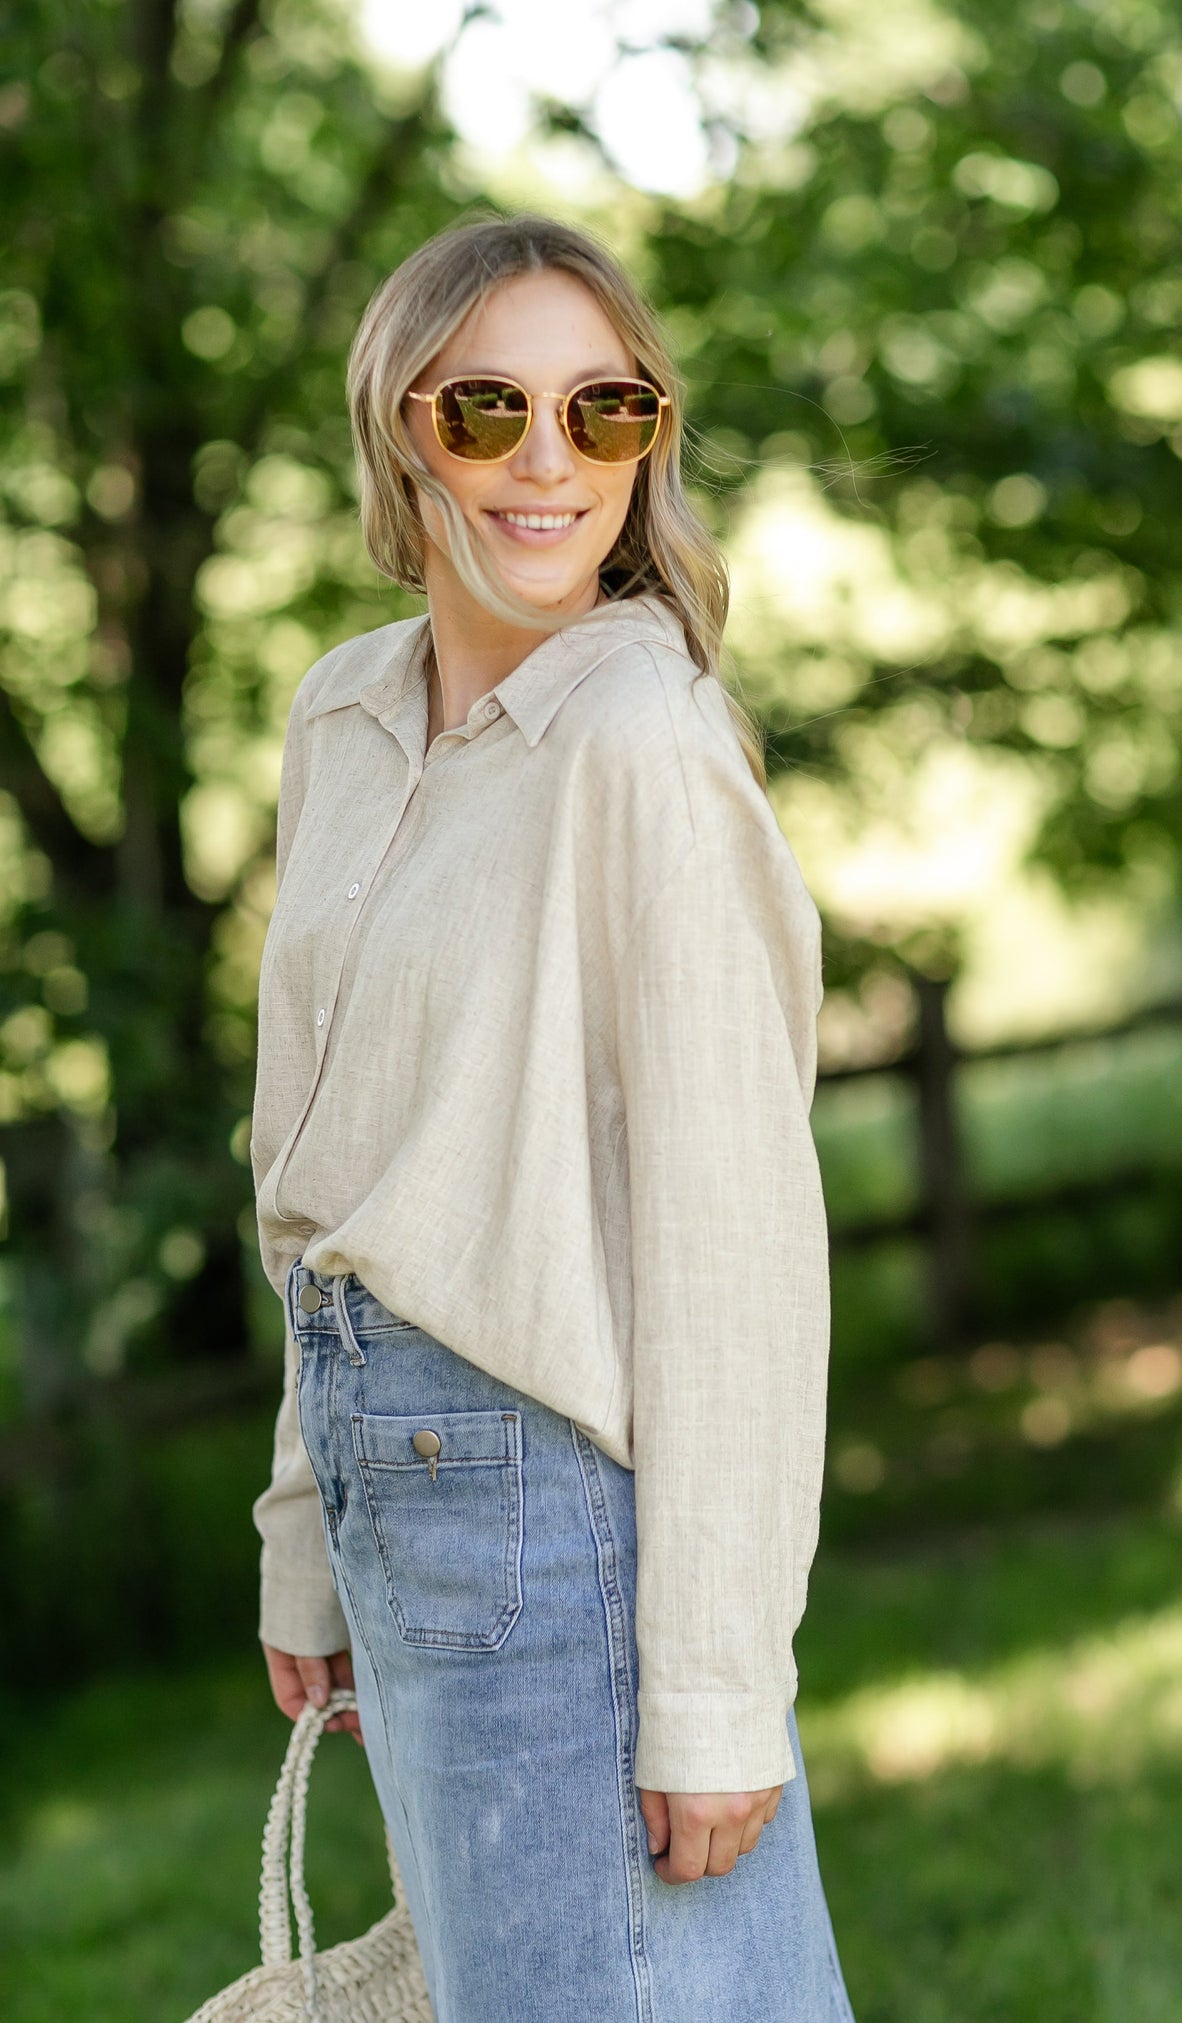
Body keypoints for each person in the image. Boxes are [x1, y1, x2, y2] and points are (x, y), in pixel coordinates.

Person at [248, 209, 854, 2022]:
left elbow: (733, 1254)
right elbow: (312, 1176)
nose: (544, 463)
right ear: (399, 426)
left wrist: (721, 1693)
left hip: (551, 1520)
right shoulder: (338, 718)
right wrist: (305, 1531)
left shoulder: (641, 747)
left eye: (605, 413)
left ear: (650, 443)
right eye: (489, 408)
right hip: (390, 1485)